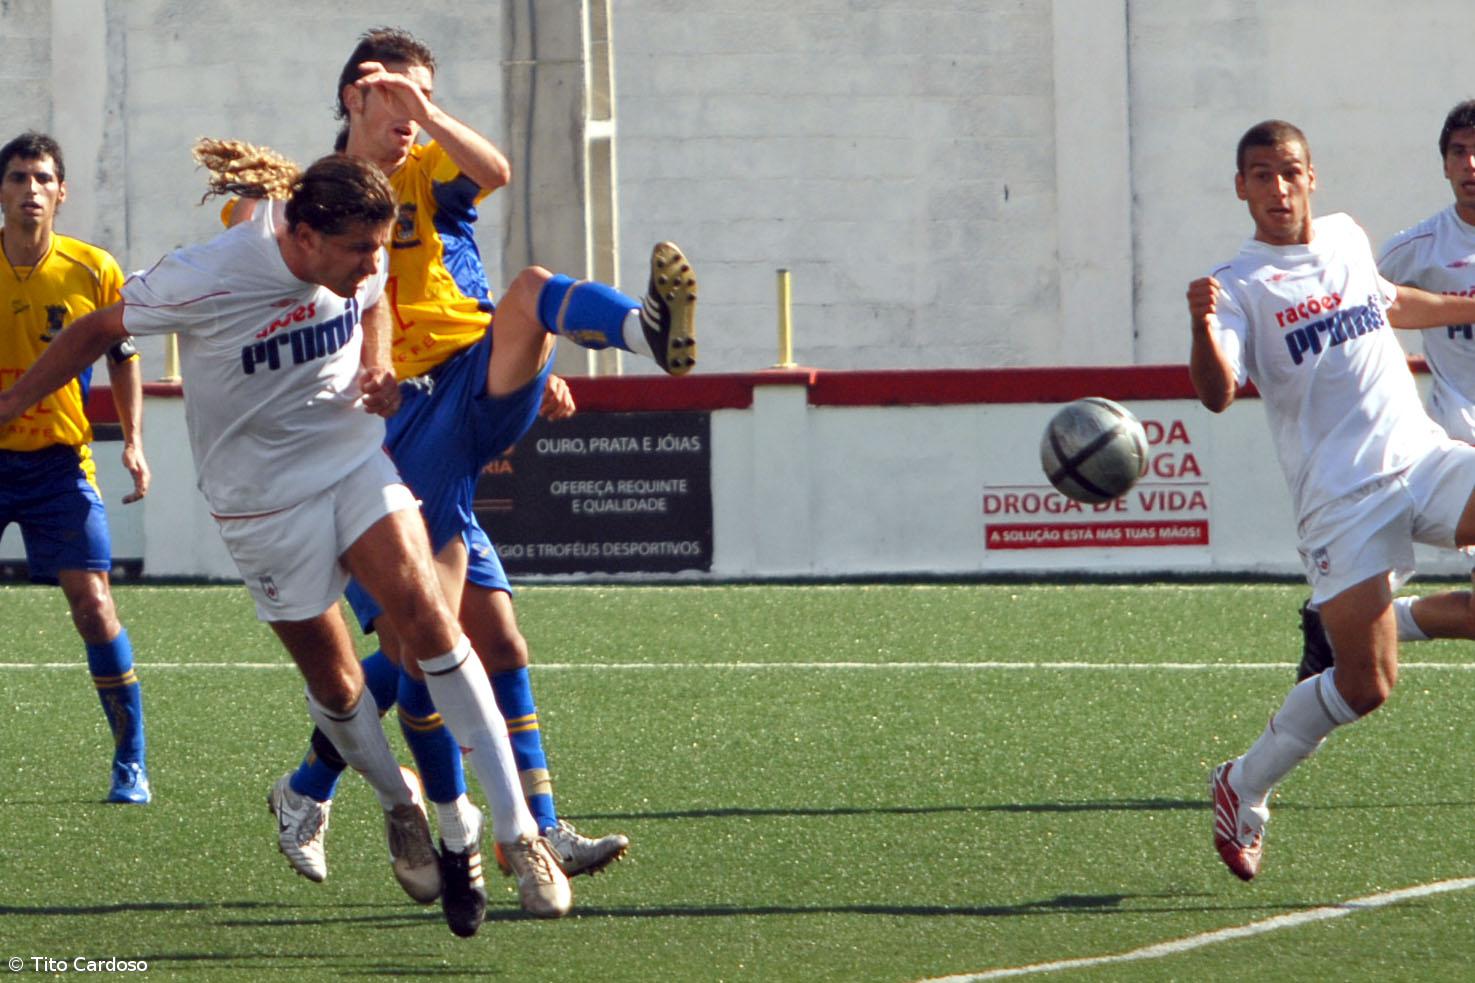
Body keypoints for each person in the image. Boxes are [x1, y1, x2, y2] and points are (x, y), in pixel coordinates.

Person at [0, 147, 574, 937]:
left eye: (381, 246)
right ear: (302, 236)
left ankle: (517, 833)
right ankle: (397, 799)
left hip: (349, 461)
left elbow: (375, 301)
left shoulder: (357, 256)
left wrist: (376, 366)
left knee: (434, 623)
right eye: (359, 250)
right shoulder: (212, 272)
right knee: (338, 688)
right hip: (258, 505)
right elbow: (101, 327)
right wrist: (12, 402)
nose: (375, 264)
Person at [260, 26, 693, 900]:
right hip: (397, 427)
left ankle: (527, 825)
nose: (415, 117)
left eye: (428, 98)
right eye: (400, 98)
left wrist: (534, 363)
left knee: (493, 638)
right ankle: (446, 820)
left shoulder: (425, 175)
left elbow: (491, 176)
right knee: (434, 647)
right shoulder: (321, 204)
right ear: (357, 95)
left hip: (467, 383)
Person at [1189, 120, 1475, 881]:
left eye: (1288, 173)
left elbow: (1392, 305)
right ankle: (1242, 782)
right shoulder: (1236, 286)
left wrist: (1467, 307)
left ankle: (1402, 615)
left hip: (1421, 457)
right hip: (1341, 502)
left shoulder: (1347, 238)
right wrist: (1200, 325)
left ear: (1311, 176)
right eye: (1259, 176)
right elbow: (1217, 389)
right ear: (1241, 187)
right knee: (1365, 685)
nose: (1276, 189)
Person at [1296, 99, 1475, 680]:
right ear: (1444, 165)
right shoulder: (1415, 248)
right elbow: (1366, 314)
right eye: (1459, 152)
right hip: (1462, 439)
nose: (1472, 164)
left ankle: (1352, 619)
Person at [0, 131, 152, 804]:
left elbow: (123, 359)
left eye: (41, 179)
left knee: (93, 607)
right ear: (1, 191)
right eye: (17, 178)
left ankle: (131, 760)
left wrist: (135, 439)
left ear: (61, 192)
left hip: (58, 464)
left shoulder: (93, 268)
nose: (29, 190)